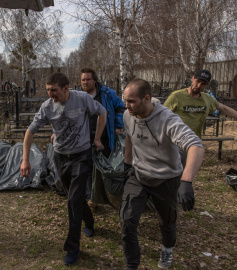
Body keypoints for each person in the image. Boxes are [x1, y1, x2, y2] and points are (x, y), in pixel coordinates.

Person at [20, 73, 107, 266]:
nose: (50, 94)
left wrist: (97, 138)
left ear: (66, 88)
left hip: (81, 156)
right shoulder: (47, 107)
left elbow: (102, 112)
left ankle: (73, 247)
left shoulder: (82, 98)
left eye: (54, 90)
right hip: (60, 157)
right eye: (48, 90)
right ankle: (90, 221)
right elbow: (29, 132)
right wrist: (25, 160)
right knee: (73, 198)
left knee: (73, 199)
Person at [121, 79, 205, 269]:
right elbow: (129, 136)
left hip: (166, 179)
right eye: (125, 100)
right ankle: (131, 265)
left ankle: (167, 249)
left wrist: (186, 181)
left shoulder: (168, 119)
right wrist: (127, 163)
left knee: (167, 222)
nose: (127, 106)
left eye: (132, 101)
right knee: (127, 221)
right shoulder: (128, 114)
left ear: (147, 98)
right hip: (139, 175)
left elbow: (196, 146)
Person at [164, 69, 237, 139]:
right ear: (192, 78)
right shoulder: (176, 96)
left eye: (203, 84)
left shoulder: (207, 99)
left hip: (193, 141)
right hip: (175, 140)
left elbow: (224, 109)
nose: (198, 86)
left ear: (206, 85)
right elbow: (161, 116)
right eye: (198, 81)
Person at [79, 68, 126, 201]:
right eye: (83, 79)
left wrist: (117, 126)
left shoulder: (107, 93)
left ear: (95, 80)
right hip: (84, 138)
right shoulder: (76, 95)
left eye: (88, 79)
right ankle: (90, 197)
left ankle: (106, 195)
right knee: (86, 167)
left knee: (105, 166)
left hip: (106, 137)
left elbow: (121, 108)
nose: (85, 82)